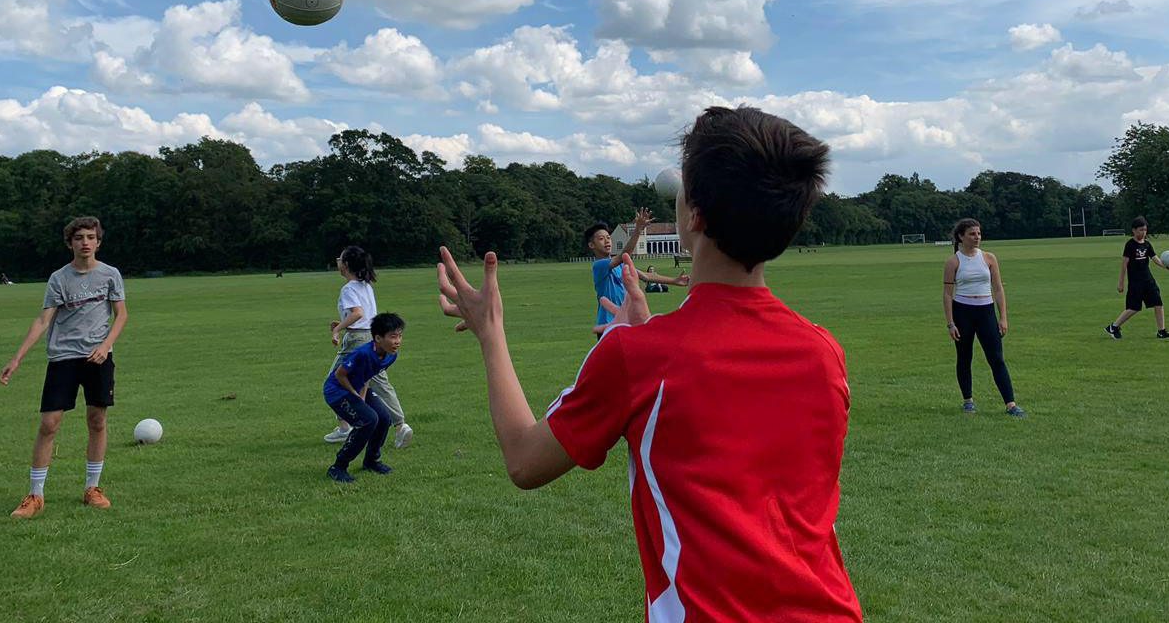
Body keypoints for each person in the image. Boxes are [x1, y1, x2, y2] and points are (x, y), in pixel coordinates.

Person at [437, 106, 863, 621]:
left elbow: (526, 461)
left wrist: (491, 333)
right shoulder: (823, 351)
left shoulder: (637, 357)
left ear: (694, 215)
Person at [0, 217, 128, 518]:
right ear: (70, 243)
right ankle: (35, 495)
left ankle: (92, 489)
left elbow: (121, 315)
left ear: (99, 242)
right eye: (79, 237)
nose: (85, 242)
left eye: (91, 237)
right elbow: (43, 320)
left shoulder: (111, 275)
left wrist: (105, 345)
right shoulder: (59, 278)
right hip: (63, 358)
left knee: (97, 420)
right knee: (49, 424)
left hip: (98, 357)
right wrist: (16, 359)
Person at [322, 246, 412, 447]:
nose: (337, 259)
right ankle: (400, 425)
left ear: (345, 265)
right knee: (379, 382)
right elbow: (362, 317)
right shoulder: (366, 286)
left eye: (340, 257)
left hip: (356, 341)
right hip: (370, 339)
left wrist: (338, 331)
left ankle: (346, 427)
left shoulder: (348, 288)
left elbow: (358, 314)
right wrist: (342, 324)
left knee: (334, 382)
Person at [942, 219, 1027, 417]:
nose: (977, 237)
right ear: (961, 237)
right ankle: (968, 401)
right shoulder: (953, 262)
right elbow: (947, 294)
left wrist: (1003, 317)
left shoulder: (989, 258)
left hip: (986, 311)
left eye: (979, 234)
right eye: (972, 234)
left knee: (996, 358)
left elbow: (998, 288)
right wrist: (950, 323)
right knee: (964, 358)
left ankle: (1011, 404)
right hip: (963, 312)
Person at [324, 313, 406, 483]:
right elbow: (340, 375)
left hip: (357, 387)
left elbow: (369, 373)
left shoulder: (391, 355)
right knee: (368, 420)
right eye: (392, 337)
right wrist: (355, 395)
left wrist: (362, 394)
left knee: (383, 418)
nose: (398, 341)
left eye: (400, 336)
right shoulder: (362, 353)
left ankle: (371, 461)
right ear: (378, 338)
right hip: (337, 390)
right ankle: (338, 466)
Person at [584, 211, 688, 336]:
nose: (607, 241)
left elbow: (646, 276)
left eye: (608, 237)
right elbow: (624, 255)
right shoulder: (599, 265)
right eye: (601, 239)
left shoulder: (621, 265)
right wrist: (638, 230)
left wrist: (675, 281)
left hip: (625, 322)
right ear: (591, 245)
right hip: (608, 325)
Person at [1104, 216, 1169, 340]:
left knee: (1158, 303)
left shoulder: (1147, 244)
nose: (1143, 232)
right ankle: (1113, 327)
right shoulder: (1130, 245)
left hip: (1148, 280)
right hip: (1135, 282)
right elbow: (1124, 264)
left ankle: (1162, 331)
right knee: (1134, 308)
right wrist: (1121, 283)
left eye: (1145, 230)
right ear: (1134, 230)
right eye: (1140, 230)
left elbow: (1155, 259)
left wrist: (1166, 266)